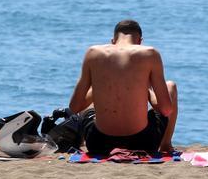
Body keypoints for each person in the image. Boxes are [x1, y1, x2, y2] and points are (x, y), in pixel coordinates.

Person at [66, 19, 177, 155]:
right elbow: (166, 109)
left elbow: (74, 107)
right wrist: (147, 92)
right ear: (140, 41)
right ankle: (165, 145)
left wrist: (99, 86)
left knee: (91, 104)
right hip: (144, 143)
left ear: (113, 40)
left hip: (98, 143)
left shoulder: (93, 53)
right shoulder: (150, 54)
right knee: (170, 86)